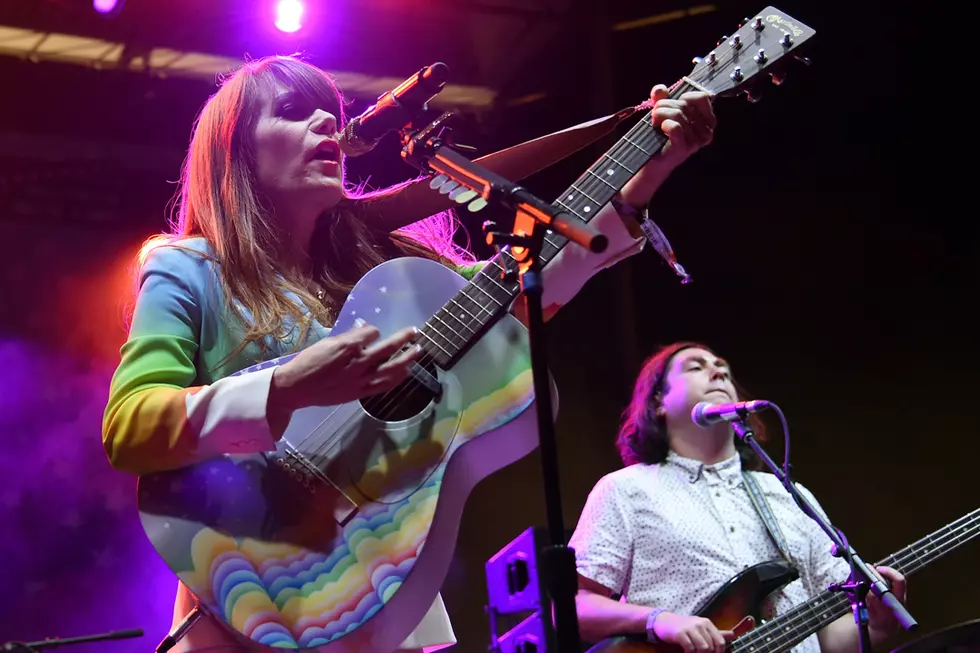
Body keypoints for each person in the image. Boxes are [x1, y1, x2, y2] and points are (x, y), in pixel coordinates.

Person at [100, 55, 716, 652]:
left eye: (329, 112)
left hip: (387, 601)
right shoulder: (189, 269)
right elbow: (130, 426)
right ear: (235, 152)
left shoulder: (389, 276)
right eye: (292, 111)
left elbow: (525, 288)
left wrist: (643, 180)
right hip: (248, 600)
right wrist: (286, 387)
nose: (326, 125)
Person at [568, 342, 908, 653]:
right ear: (658, 401)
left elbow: (826, 639)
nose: (718, 371)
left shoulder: (788, 494)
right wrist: (659, 620)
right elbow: (573, 606)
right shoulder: (626, 490)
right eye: (696, 366)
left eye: (724, 370)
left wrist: (878, 625)